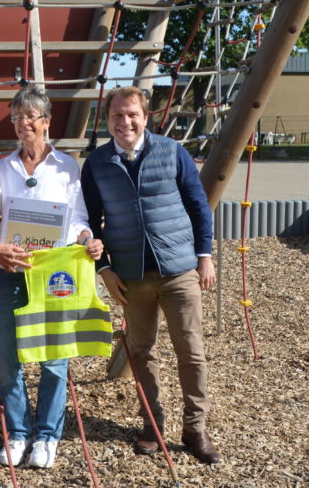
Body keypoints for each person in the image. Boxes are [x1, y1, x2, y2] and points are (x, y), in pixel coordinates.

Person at [80, 86, 221, 465]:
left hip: (178, 270)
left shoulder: (172, 152)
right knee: (141, 352)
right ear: (106, 119)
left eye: (131, 115)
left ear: (145, 117)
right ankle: (151, 423)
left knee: (191, 352)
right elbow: (90, 222)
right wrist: (104, 269)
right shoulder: (96, 163)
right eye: (116, 116)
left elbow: (197, 205)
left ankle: (195, 427)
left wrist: (204, 257)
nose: (124, 122)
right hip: (131, 274)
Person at [0, 88, 104, 470]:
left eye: (31, 116)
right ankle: (18, 432)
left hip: (54, 276)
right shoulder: (1, 169)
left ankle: (47, 435)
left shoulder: (67, 167)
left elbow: (79, 218)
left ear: (47, 121)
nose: (23, 123)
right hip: (13, 274)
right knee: (5, 357)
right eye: (17, 117)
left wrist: (88, 240)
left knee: (53, 358)